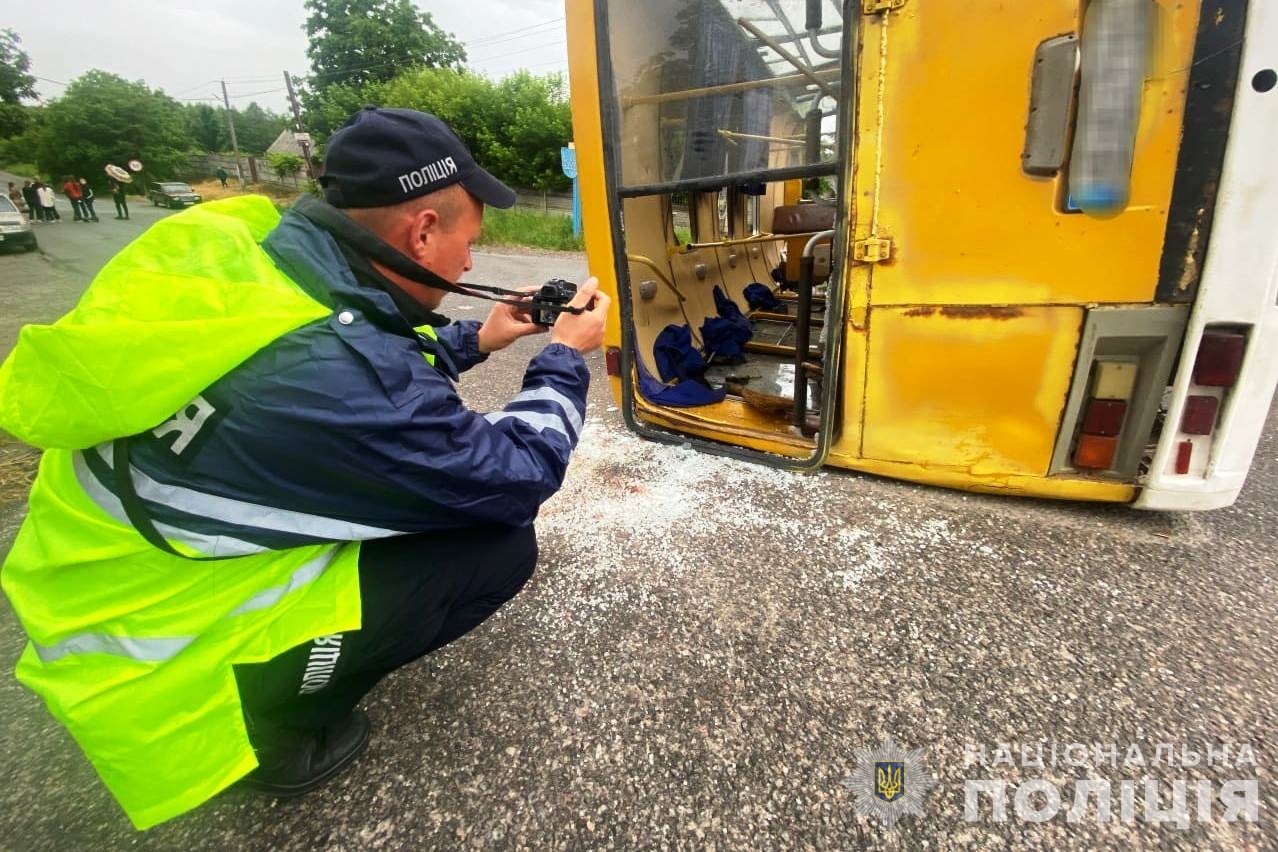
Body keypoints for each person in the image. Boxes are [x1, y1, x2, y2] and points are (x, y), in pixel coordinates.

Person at [0, 106, 608, 830]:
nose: (471, 264)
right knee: (497, 545)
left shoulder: (253, 248)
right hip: (155, 651)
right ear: (421, 231)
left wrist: (476, 336)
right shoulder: (340, 374)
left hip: (98, 576)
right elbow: (514, 475)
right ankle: (276, 731)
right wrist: (564, 359)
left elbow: (334, 360)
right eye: (467, 243)